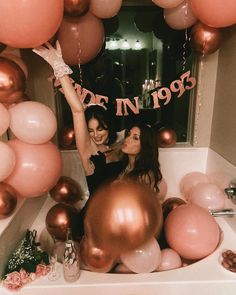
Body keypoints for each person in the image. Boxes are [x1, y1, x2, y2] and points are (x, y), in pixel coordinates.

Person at [32, 43, 162, 233]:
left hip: (121, 220)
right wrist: (59, 67)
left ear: (109, 128)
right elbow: (77, 111)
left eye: (100, 129)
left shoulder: (121, 147)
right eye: (91, 131)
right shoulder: (89, 151)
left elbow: (141, 141)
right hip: (96, 221)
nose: (95, 135)